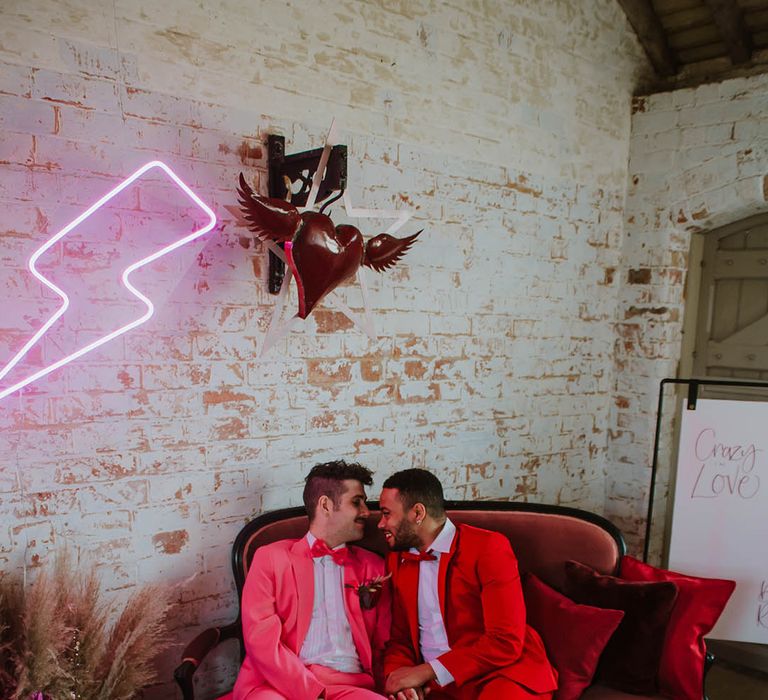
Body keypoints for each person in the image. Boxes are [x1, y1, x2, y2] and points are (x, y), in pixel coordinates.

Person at [378, 469, 557, 700]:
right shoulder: (397, 558)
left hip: (499, 674)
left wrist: (424, 672)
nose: (381, 524)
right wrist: (400, 680)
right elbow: (400, 640)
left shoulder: (488, 547)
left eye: (386, 514)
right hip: (435, 688)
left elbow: (505, 641)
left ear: (417, 513)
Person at [232, 460, 391, 700]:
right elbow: (261, 641)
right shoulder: (271, 559)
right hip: (276, 684)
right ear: (326, 505)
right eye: (356, 502)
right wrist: (311, 692)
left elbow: (385, 642)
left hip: (350, 686)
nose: (366, 512)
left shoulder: (373, 567)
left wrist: (393, 684)